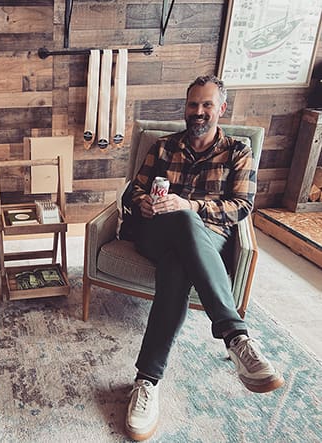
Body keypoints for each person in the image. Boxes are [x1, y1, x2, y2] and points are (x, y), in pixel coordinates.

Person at [122, 75, 283, 441]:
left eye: (207, 104)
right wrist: (143, 203)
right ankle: (235, 335)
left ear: (221, 108)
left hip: (208, 237)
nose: (198, 112)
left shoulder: (238, 151)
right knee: (178, 220)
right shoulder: (163, 146)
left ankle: (147, 380)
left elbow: (242, 207)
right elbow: (132, 193)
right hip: (155, 232)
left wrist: (190, 207)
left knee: (178, 264)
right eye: (193, 104)